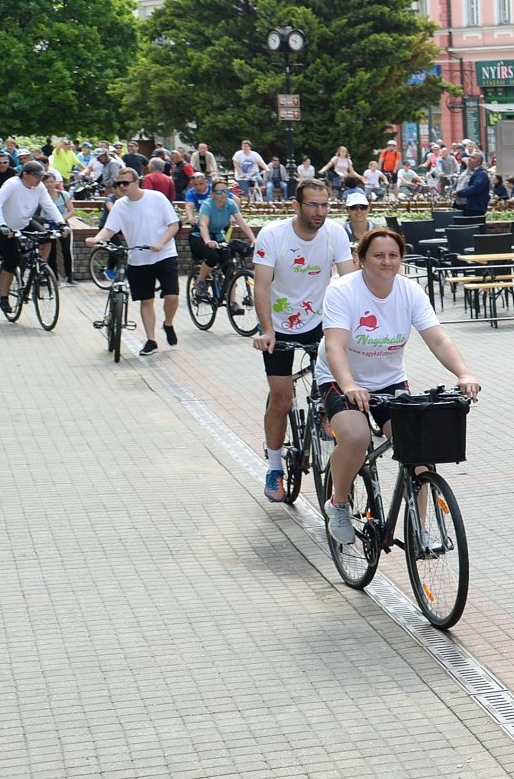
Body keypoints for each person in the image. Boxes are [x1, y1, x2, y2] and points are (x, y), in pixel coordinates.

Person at [318, 228, 482, 546]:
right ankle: (338, 502)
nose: (387, 261)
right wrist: (349, 384)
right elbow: (335, 346)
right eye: (378, 255)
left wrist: (464, 373)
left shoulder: (409, 292)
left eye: (393, 255)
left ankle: (420, 530)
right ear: (361, 259)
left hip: (390, 380)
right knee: (355, 436)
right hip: (342, 378)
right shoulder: (342, 291)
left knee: (419, 451)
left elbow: (438, 338)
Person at [252, 178, 356, 501]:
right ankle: (274, 467)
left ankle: (324, 414)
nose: (320, 212)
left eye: (325, 205)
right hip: (280, 325)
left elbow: (349, 280)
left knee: (332, 384)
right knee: (281, 398)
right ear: (296, 206)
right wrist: (267, 330)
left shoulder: (335, 233)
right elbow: (262, 287)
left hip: (321, 323)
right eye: (313, 204)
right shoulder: (273, 235)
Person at [95, 166, 180, 355]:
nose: (122, 187)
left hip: (164, 254)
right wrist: (96, 238)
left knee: (172, 296)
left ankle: (168, 323)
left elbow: (174, 225)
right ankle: (151, 340)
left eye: (126, 183)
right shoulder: (119, 205)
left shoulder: (156, 198)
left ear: (136, 182)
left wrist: (160, 243)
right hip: (138, 258)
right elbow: (110, 228)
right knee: (146, 301)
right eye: (118, 183)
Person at [0, 160, 68, 301]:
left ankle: (40, 266)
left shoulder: (39, 187)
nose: (39, 179)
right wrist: (2, 225)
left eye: (41, 176)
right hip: (7, 226)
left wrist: (61, 223)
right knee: (11, 262)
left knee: (47, 238)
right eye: (36, 176)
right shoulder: (12, 184)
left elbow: (49, 205)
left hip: (25, 222)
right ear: (25, 175)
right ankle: (4, 297)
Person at [190, 178, 254, 301]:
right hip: (199, 236)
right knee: (213, 257)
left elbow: (242, 223)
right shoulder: (207, 205)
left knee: (229, 267)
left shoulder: (231, 204)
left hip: (218, 236)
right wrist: (207, 241)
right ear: (213, 193)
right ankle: (201, 282)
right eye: (219, 192)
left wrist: (253, 239)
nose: (223, 194)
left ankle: (232, 303)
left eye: (225, 191)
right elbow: (203, 225)